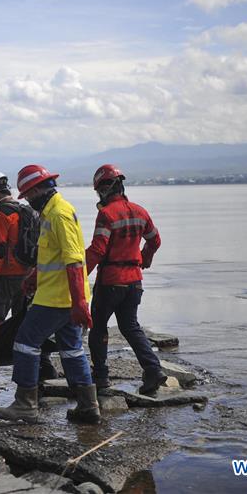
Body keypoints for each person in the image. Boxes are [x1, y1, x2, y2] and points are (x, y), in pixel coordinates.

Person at [0, 165, 100, 423]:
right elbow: (52, 257)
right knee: (72, 349)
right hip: (61, 295)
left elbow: (74, 261)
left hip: (57, 299)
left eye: (29, 194)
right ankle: (87, 405)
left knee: (25, 342)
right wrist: (34, 277)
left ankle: (25, 404)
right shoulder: (49, 213)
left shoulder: (60, 214)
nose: (28, 200)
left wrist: (79, 303)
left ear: (40, 189)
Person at [0, 171, 55, 388]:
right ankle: (44, 366)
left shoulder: (3, 214)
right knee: (26, 323)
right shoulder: (28, 210)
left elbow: (0, 249)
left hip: (6, 277)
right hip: (28, 275)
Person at [85, 164, 166, 395]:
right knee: (130, 327)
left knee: (98, 328)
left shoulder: (106, 214)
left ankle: (100, 378)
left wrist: (79, 276)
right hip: (134, 282)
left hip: (111, 281)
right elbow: (155, 240)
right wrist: (144, 258)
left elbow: (98, 250)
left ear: (105, 189)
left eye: (99, 190)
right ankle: (153, 370)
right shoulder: (141, 211)